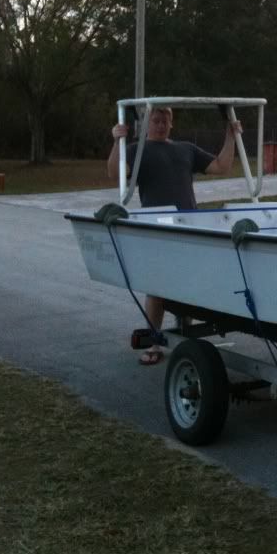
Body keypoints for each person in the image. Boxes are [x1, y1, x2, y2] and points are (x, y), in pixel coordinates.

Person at [107, 105, 242, 364]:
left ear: (171, 123)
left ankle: (184, 336)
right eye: (155, 120)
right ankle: (154, 343)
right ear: (148, 124)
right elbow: (115, 173)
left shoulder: (185, 149)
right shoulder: (137, 149)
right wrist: (117, 140)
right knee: (157, 288)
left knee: (186, 285)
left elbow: (221, 166)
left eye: (164, 120)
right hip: (157, 228)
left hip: (188, 226)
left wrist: (231, 135)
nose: (160, 124)